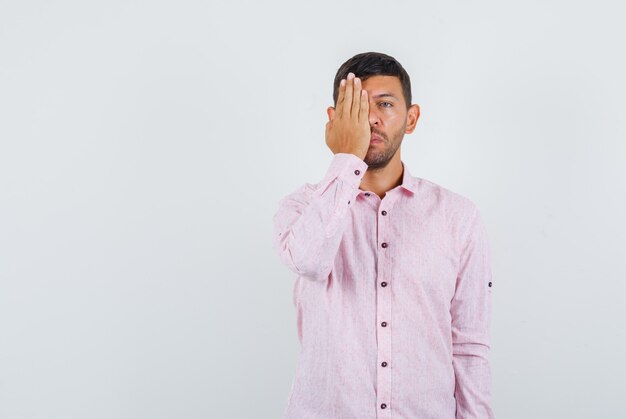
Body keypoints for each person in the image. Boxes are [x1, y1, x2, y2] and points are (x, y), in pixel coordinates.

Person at [272, 51, 495, 419]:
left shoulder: (458, 217)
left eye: (385, 104)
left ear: (411, 119)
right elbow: (309, 261)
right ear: (334, 120)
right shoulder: (301, 207)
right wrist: (347, 157)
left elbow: (469, 347)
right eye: (355, 107)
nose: (370, 118)